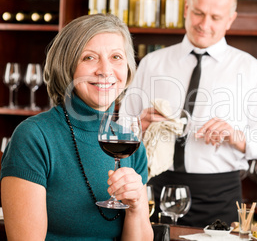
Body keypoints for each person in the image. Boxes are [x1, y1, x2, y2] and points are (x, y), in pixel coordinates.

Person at [119, 0, 257, 227]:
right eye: (198, 13)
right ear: (186, 9)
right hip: (154, 189)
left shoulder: (250, 69)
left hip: (219, 195)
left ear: (230, 19)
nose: (204, 24)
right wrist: (137, 126)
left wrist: (235, 135)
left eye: (216, 17)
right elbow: (121, 127)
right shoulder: (153, 63)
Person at [0, 14, 153, 240]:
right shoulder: (34, 137)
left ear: (128, 68)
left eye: (116, 57)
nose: (105, 70)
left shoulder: (131, 145)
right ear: (67, 67)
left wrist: (137, 205)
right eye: (89, 57)